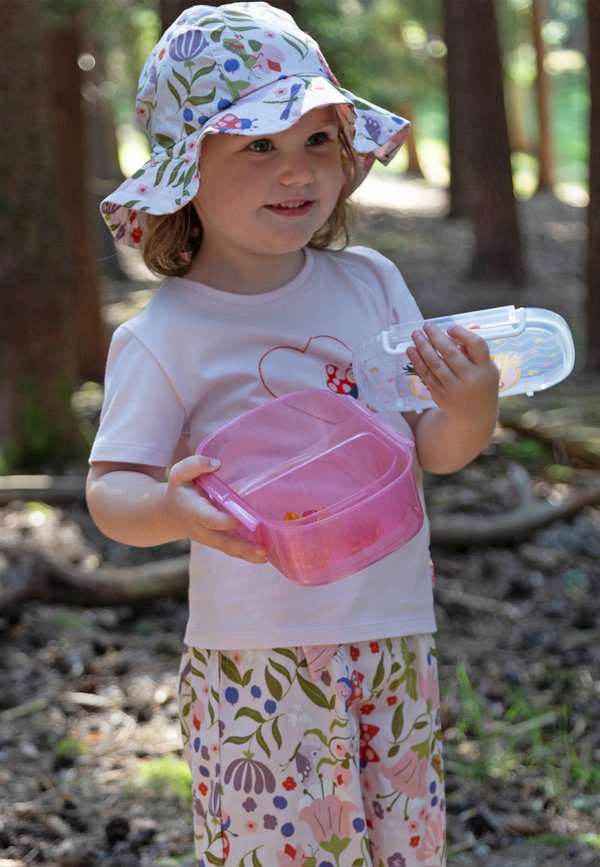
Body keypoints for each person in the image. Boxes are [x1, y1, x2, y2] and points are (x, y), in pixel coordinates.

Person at [87, 4, 500, 865]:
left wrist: (469, 408)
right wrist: (169, 507)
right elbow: (111, 491)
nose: (297, 170)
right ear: (186, 170)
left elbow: (429, 447)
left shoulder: (372, 283)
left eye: (319, 139)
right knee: (282, 851)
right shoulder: (166, 334)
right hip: (257, 656)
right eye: (260, 146)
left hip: (392, 630)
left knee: (403, 845)